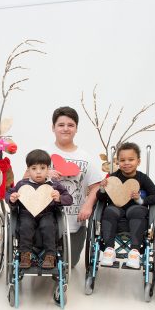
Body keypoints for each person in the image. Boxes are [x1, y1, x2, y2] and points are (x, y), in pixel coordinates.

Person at [43, 106, 103, 266]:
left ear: (76, 128)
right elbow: (26, 179)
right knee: (48, 263)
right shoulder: (43, 153)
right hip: (45, 219)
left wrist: (88, 206)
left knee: (70, 264)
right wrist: (45, 173)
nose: (65, 128)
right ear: (53, 128)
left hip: (75, 221)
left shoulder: (85, 157)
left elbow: (97, 185)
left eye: (70, 125)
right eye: (61, 125)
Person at [97, 143, 155, 269]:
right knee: (109, 210)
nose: (126, 163)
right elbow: (101, 199)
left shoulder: (143, 178)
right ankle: (109, 250)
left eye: (131, 159)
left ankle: (135, 252)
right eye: (122, 160)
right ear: (117, 162)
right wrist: (103, 189)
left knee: (137, 210)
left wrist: (141, 200)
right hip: (116, 211)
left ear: (138, 161)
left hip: (136, 212)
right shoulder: (113, 177)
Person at [6, 149, 73, 269]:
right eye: (34, 168)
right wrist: (12, 198)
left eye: (42, 168)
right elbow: (9, 194)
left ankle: (50, 255)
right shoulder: (22, 184)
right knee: (25, 225)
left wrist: (59, 198)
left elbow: (69, 198)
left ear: (48, 169)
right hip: (27, 214)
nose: (38, 172)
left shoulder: (54, 185)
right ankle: (25, 255)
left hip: (47, 214)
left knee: (48, 226)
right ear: (28, 170)